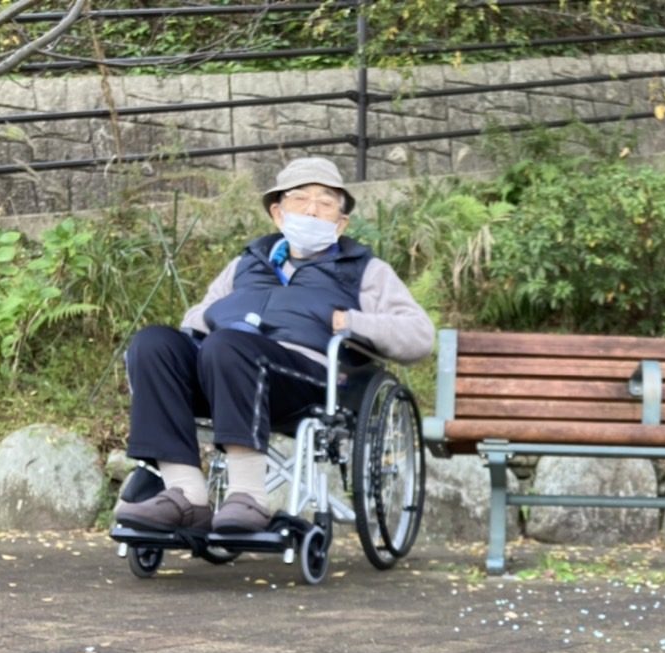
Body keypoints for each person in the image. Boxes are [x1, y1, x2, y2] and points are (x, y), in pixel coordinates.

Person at [115, 156, 435, 534]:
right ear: (278, 213)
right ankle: (185, 493)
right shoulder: (246, 263)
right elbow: (195, 318)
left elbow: (419, 335)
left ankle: (248, 496)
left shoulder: (364, 270)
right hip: (223, 367)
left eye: (326, 202)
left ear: (341, 222)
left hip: (303, 380)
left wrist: (351, 322)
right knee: (153, 343)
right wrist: (223, 315)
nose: (312, 209)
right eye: (300, 199)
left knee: (229, 347)